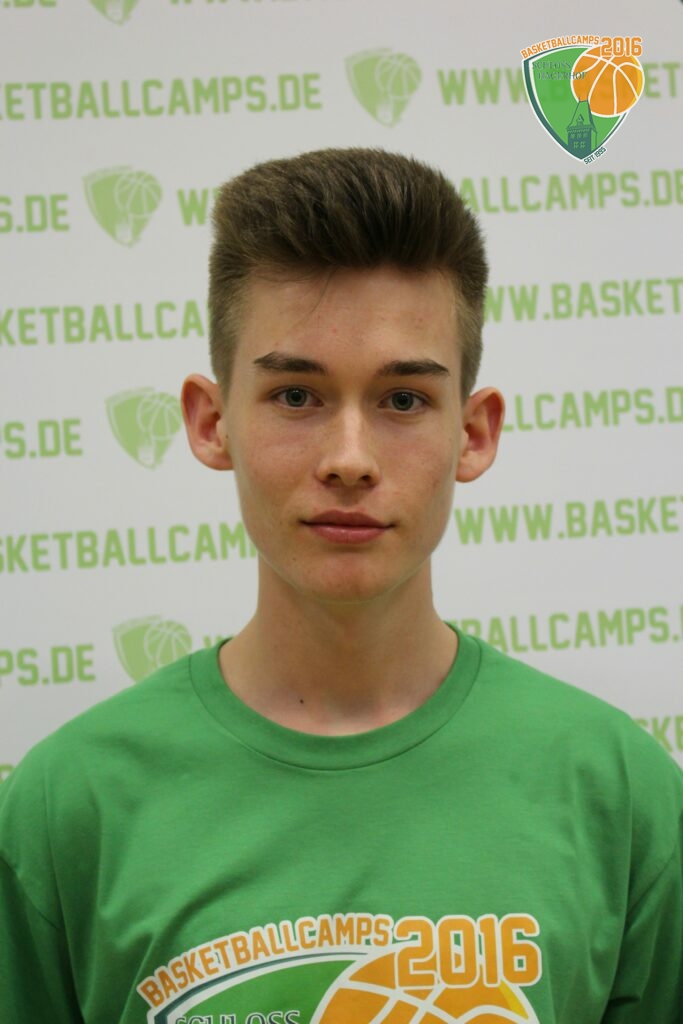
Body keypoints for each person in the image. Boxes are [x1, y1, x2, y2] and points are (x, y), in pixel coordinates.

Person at [0, 148, 681, 1024]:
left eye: (403, 401)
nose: (349, 460)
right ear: (212, 422)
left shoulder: (618, 793)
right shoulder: (70, 805)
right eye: (296, 396)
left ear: (473, 433)